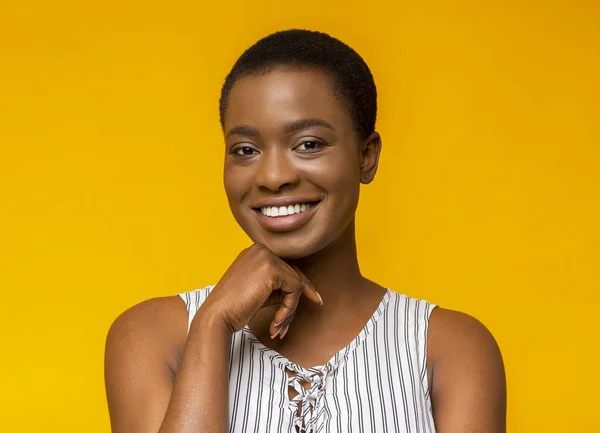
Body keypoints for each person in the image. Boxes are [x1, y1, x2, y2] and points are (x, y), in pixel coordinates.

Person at [104, 29, 506, 433]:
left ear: (366, 156)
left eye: (309, 144)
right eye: (245, 150)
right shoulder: (151, 337)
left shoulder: (451, 348)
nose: (274, 177)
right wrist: (214, 323)